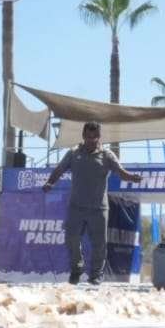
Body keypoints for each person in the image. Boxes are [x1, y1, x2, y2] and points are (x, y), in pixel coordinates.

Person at [42, 122, 142, 285]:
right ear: (83, 136)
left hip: (99, 208)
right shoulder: (73, 153)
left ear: (99, 137)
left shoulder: (107, 155)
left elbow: (121, 172)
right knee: (71, 238)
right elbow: (59, 169)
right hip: (76, 206)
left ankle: (96, 274)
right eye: (88, 137)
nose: (91, 140)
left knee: (99, 244)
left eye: (94, 137)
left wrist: (132, 177)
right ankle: (76, 268)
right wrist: (50, 182)